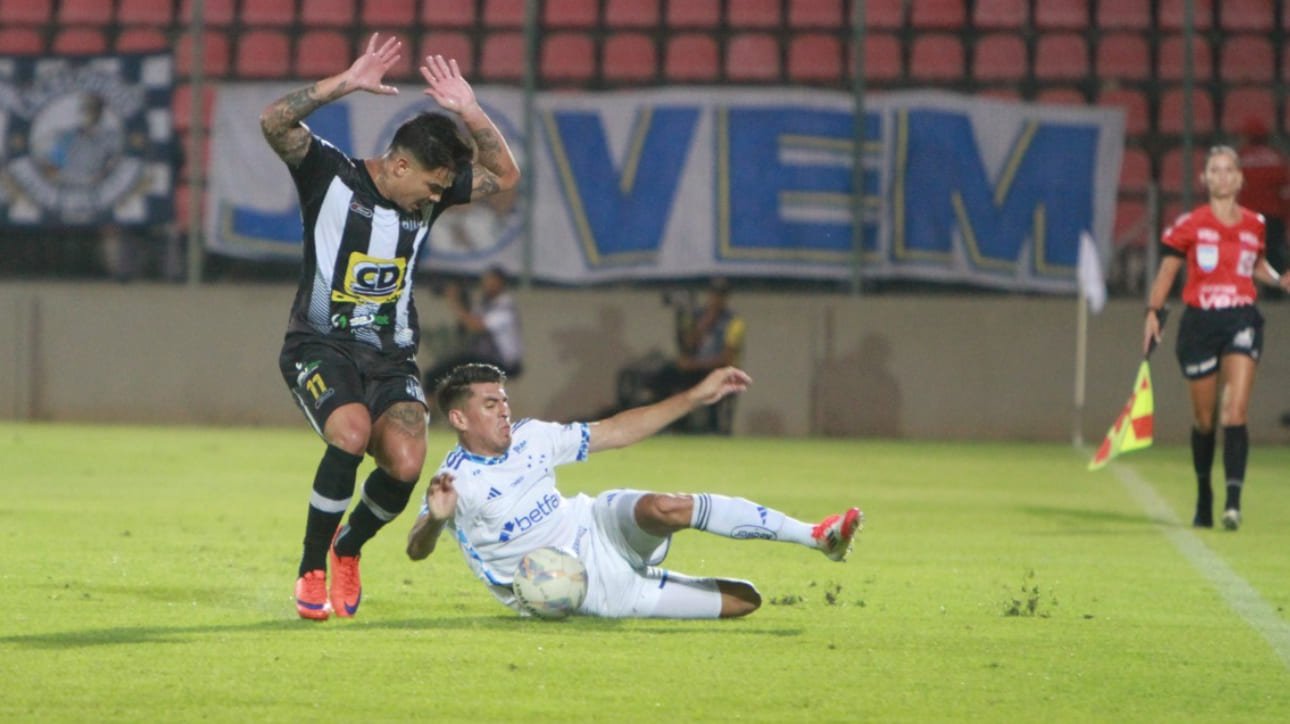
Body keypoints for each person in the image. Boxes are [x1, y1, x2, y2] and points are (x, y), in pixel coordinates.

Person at [260, 33, 521, 620]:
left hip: (391, 356)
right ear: (400, 164)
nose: (436, 196)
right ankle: (310, 566)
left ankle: (347, 548)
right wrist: (343, 83)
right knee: (350, 434)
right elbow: (274, 121)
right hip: (319, 344)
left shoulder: (426, 194)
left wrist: (470, 111)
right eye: (431, 184)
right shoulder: (328, 173)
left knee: (405, 464)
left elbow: (503, 176)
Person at [406, 362, 863, 619]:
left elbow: (616, 431)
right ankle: (651, 581)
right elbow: (416, 548)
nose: (505, 412)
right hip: (579, 592)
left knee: (662, 507)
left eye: (505, 401)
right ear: (460, 420)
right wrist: (437, 518)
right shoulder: (456, 482)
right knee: (744, 602)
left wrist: (694, 397)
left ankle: (818, 536)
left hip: (596, 527)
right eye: (491, 406)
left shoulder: (532, 436)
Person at [1143, 145, 1290, 532]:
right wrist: (1152, 313)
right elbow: (1166, 272)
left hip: (1242, 317)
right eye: (1215, 170)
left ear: (1240, 179)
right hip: (1200, 324)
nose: (1223, 177)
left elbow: (1253, 265)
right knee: (1204, 419)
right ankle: (1205, 492)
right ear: (1205, 178)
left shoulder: (1255, 224)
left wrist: (1277, 279)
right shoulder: (1190, 224)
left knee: (1234, 412)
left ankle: (1233, 503)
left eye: (1229, 170)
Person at [630, 278, 745, 433]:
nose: (716, 299)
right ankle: (669, 425)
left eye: (720, 295)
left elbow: (726, 359)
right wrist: (704, 325)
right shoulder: (699, 316)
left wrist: (694, 364)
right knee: (667, 376)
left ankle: (712, 431)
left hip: (717, 372)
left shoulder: (733, 322)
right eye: (714, 294)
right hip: (695, 371)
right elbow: (689, 345)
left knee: (712, 394)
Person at [422, 265, 523, 390]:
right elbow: (465, 325)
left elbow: (475, 326)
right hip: (484, 358)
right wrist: (462, 299)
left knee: (440, 375)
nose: (486, 284)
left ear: (501, 283)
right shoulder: (485, 304)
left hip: (502, 362)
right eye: (486, 280)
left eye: (491, 281)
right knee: (437, 376)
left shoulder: (505, 307)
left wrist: (454, 300)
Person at [1236, 116, 1290, 297]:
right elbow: (1285, 190)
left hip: (1246, 217)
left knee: (1245, 253)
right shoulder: (1277, 158)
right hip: (1273, 215)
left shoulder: (1239, 159)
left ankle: (1244, 292)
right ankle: (1275, 294)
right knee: (1273, 253)